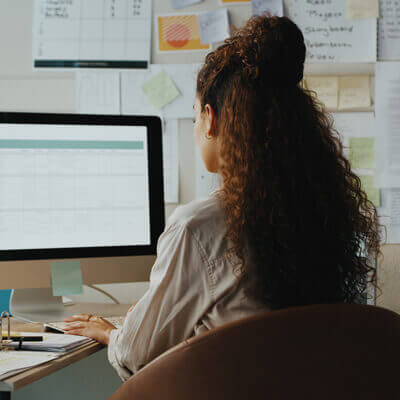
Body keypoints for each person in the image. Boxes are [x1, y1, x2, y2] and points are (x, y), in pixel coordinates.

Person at [63, 15, 381, 380]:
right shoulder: (324, 212)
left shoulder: (199, 225)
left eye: (195, 114)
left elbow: (137, 355)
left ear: (210, 119)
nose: (197, 126)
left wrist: (111, 332)